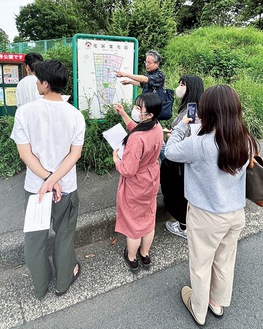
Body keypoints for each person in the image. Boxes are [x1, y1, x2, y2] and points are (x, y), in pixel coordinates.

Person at [165, 85, 257, 326]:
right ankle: (217, 303)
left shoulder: (200, 143)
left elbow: (170, 151)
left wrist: (182, 125)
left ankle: (199, 309)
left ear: (208, 111)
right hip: (235, 214)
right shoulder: (245, 140)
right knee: (225, 260)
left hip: (206, 216)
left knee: (201, 263)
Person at [10, 60, 86, 299]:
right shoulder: (75, 115)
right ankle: (63, 282)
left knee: (35, 239)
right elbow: (75, 153)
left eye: (38, 80)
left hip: (36, 188)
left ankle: (41, 287)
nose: (36, 84)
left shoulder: (24, 112)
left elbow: (25, 153)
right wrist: (55, 180)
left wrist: (46, 180)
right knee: (64, 235)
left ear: (45, 83)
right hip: (66, 186)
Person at [113, 93, 163, 273]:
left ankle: (132, 258)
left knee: (133, 222)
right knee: (148, 218)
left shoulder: (136, 139)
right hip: (151, 178)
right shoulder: (156, 126)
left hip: (136, 183)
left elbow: (128, 169)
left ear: (148, 114)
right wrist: (123, 114)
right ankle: (145, 255)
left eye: (138, 108)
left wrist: (116, 159)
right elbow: (139, 129)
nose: (135, 110)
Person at [161, 75, 204, 239]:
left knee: (178, 193)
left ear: (191, 88)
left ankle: (184, 226)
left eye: (182, 84)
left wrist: (173, 135)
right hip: (189, 160)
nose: (179, 87)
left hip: (181, 161)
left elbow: (190, 136)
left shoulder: (191, 110)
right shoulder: (200, 107)